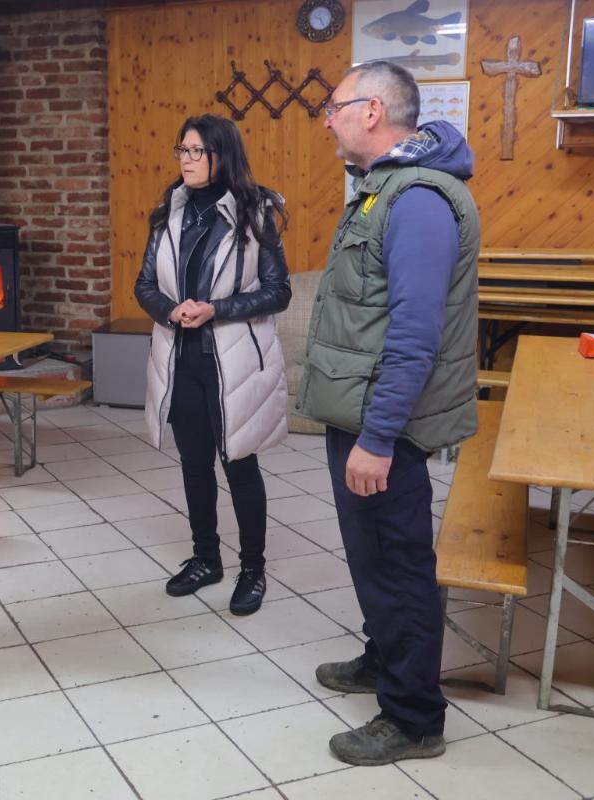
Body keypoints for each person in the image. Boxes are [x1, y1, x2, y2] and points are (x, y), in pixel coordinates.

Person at [298, 61, 480, 766]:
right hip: (363, 411)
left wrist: (377, 439)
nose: (327, 119)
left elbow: (414, 334)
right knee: (372, 554)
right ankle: (386, 657)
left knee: (398, 563)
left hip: (387, 424)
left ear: (372, 111)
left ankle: (413, 717)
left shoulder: (420, 200)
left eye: (335, 106)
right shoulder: (385, 186)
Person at [135, 113, 291, 616]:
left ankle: (253, 569)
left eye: (196, 151)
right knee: (194, 466)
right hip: (181, 360)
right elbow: (144, 285)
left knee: (240, 465)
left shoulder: (255, 212)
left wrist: (215, 309)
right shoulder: (170, 212)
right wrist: (170, 309)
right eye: (182, 150)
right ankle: (206, 559)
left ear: (222, 156)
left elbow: (278, 291)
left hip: (233, 363)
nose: (186, 159)